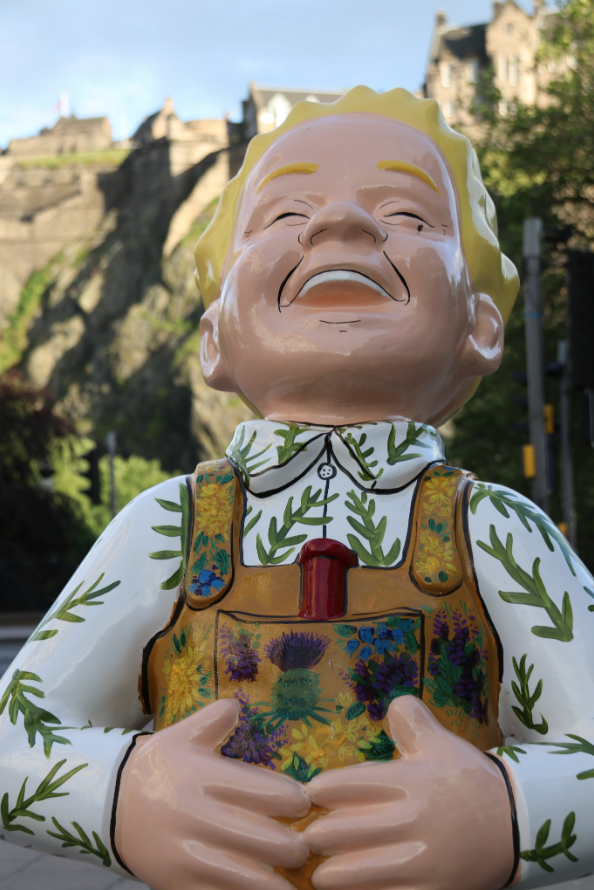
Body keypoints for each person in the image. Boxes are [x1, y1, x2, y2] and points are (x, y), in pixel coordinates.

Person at [1, 87, 593, 890]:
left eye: (408, 215)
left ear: (480, 327)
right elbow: (15, 737)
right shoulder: (169, 524)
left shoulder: (495, 529)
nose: (340, 224)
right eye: (284, 214)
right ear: (213, 337)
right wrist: (125, 796)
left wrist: (506, 814)